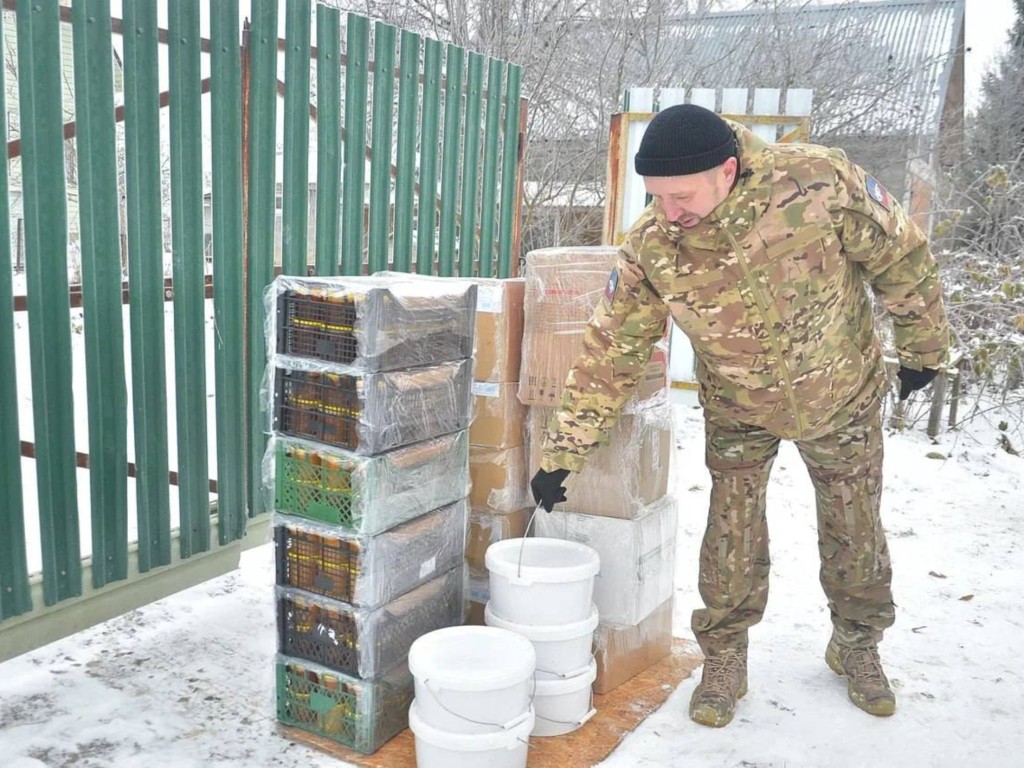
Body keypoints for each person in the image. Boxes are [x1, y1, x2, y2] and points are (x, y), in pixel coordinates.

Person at [529, 104, 948, 728]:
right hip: (737, 405)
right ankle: (725, 654)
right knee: (731, 533)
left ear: (727, 170)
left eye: (681, 195)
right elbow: (611, 349)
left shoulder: (817, 182)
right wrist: (564, 453)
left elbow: (900, 255)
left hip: (842, 393)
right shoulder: (654, 245)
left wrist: (924, 347)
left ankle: (858, 644)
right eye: (656, 198)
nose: (668, 212)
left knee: (855, 528)